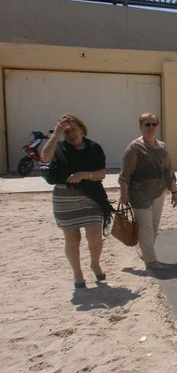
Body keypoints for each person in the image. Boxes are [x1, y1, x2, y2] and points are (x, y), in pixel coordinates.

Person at [40, 113, 113, 289]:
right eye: (67, 131)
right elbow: (44, 158)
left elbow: (101, 173)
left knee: (94, 236)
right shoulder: (59, 147)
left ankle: (95, 264)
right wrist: (55, 135)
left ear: (82, 128)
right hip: (65, 197)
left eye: (74, 129)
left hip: (91, 195)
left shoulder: (94, 147)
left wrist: (84, 175)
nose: (71, 133)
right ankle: (77, 274)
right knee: (72, 239)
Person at [119, 113, 177, 269]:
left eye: (153, 124)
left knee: (153, 226)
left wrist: (174, 191)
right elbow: (125, 175)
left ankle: (145, 252)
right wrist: (123, 195)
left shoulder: (163, 147)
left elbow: (169, 171)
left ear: (158, 126)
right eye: (147, 124)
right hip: (139, 193)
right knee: (145, 227)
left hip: (159, 191)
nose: (150, 127)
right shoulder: (134, 147)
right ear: (140, 126)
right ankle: (151, 261)